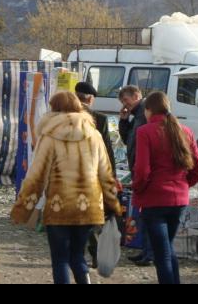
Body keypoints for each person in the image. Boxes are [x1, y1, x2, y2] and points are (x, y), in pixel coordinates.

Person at [11, 91, 122, 285]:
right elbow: (106, 174)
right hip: (89, 206)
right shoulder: (94, 135)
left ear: (53, 109)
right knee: (78, 256)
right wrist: (114, 205)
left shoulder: (49, 137)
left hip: (59, 206)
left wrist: (22, 209)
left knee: (60, 259)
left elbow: (36, 177)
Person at [132, 91, 198, 284]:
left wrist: (138, 189)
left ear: (149, 110)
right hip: (179, 199)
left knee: (161, 253)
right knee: (167, 247)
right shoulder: (185, 131)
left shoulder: (145, 132)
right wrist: (184, 184)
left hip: (154, 199)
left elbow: (142, 170)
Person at [75, 81, 117, 268]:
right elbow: (107, 151)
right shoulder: (99, 119)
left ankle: (76, 253)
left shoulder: (61, 117)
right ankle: (94, 253)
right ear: (90, 99)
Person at [118, 85, 153, 265]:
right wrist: (124, 121)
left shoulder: (145, 113)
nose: (125, 104)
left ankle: (149, 253)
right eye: (123, 101)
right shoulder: (136, 116)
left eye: (126, 100)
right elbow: (128, 140)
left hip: (144, 171)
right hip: (137, 168)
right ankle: (146, 251)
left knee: (148, 214)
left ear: (137, 95)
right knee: (144, 213)